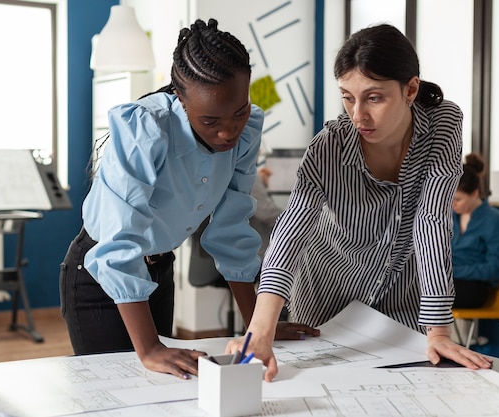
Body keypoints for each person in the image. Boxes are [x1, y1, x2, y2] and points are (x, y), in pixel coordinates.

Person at [226, 23, 493, 382]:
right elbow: (289, 236)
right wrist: (260, 330)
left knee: (405, 390)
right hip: (327, 291)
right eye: (347, 97)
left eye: (374, 97)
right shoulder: (329, 147)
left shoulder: (444, 124)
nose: (358, 115)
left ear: (411, 89)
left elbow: (430, 221)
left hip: (401, 291)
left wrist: (439, 330)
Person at [60, 18, 314, 381]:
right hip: (100, 276)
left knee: (161, 391)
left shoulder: (246, 133)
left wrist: (258, 327)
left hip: (159, 269)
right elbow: (120, 244)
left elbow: (230, 229)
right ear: (181, 100)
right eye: (210, 121)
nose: (228, 132)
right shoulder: (145, 129)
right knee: (119, 391)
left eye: (239, 112)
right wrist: (148, 348)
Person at [451, 153, 499, 308]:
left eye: (458, 199)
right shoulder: (450, 217)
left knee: (424, 296)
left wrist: (455, 271)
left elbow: (495, 269)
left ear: (475, 193)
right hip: (448, 281)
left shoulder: (493, 220)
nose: (452, 204)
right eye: (450, 198)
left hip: (474, 287)